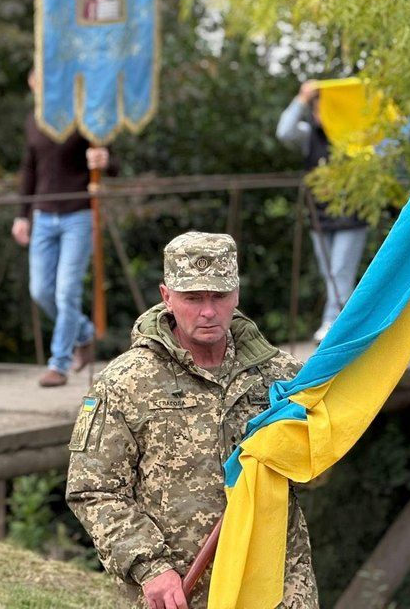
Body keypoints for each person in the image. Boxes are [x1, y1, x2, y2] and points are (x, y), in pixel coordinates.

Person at [66, 232, 319, 609]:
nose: (207, 311)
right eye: (193, 298)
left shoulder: (279, 376)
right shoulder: (125, 382)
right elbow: (93, 489)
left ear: (236, 294)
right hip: (181, 591)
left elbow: (317, 464)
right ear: (167, 297)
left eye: (219, 297)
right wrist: (149, 566)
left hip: (276, 584)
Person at [13, 70, 118, 387]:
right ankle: (83, 332)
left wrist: (104, 161)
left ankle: (58, 364)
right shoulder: (35, 120)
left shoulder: (84, 118)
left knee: (66, 291)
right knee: (41, 291)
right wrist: (22, 215)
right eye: (36, 82)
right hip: (44, 215)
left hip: (78, 214)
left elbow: (110, 165)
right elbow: (29, 169)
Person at [277, 80, 368, 341]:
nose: (320, 114)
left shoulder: (355, 138)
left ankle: (332, 324)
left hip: (351, 217)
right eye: (317, 109)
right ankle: (347, 325)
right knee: (329, 273)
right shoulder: (309, 136)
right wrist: (301, 99)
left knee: (340, 271)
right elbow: (284, 132)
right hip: (320, 217)